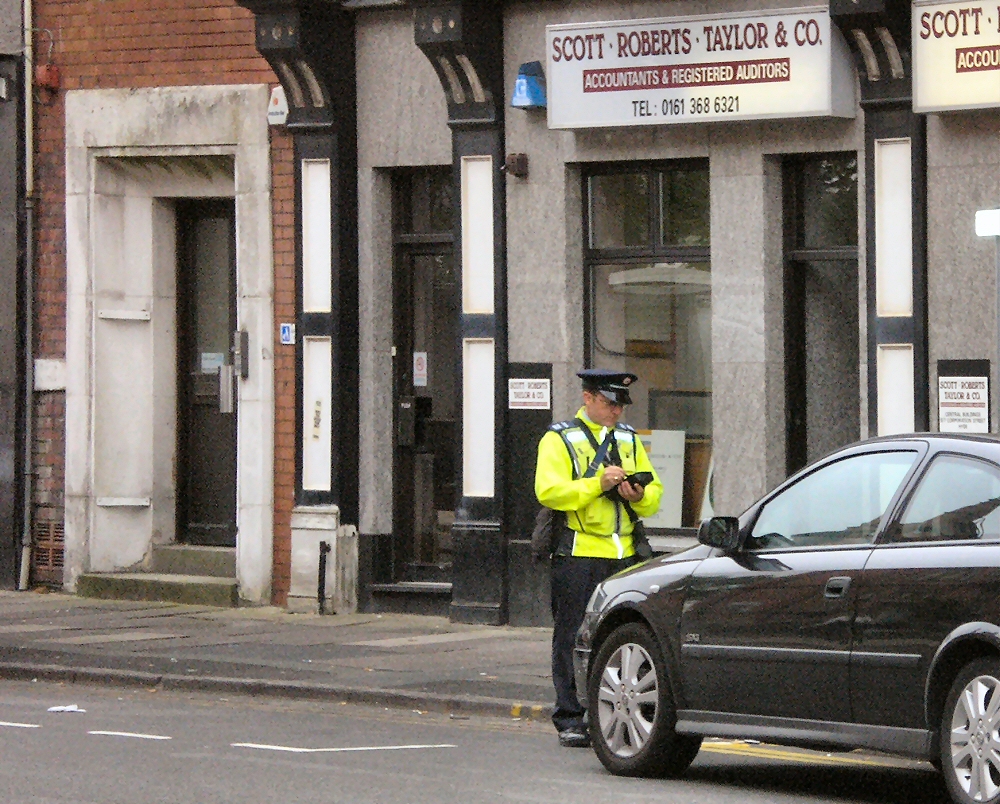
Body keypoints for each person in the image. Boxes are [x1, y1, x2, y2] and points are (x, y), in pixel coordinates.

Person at [534, 368, 663, 748]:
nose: (617, 411)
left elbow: (655, 490)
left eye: (622, 404)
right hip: (579, 553)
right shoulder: (560, 438)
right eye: (610, 402)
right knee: (572, 635)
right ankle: (570, 716)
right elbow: (549, 491)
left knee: (623, 637)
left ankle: (607, 711)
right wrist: (597, 484)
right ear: (588, 398)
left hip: (624, 553)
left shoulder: (628, 438)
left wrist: (638, 495)